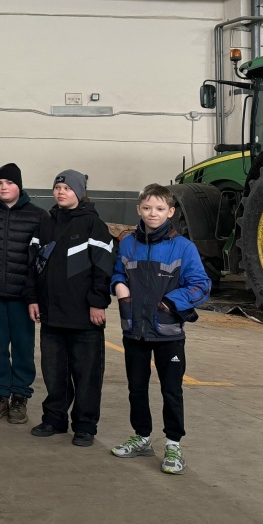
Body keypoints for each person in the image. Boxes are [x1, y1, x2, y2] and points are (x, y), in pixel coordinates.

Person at [110, 183, 211, 474]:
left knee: (171, 391)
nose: (152, 214)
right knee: (136, 388)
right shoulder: (128, 243)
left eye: (159, 209)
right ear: (138, 210)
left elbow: (201, 286)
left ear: (171, 212)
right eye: (146, 208)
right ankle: (142, 437)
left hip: (168, 334)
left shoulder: (183, 247)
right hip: (134, 331)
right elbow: (119, 271)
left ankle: (173, 445)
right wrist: (118, 284)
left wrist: (170, 301)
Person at [31, 170, 115, 447]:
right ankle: (54, 419)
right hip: (52, 316)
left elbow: (103, 268)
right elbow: (33, 265)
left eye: (67, 188)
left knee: (87, 375)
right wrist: (33, 299)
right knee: (54, 372)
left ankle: (85, 425)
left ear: (79, 192)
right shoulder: (45, 224)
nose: (60, 192)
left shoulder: (93, 225)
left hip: (84, 317)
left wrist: (97, 303)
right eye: (57, 187)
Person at [0, 163, 52, 425]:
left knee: (23, 348)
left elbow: (43, 260)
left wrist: (36, 296)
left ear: (19, 185)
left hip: (23, 297)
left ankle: (20, 397)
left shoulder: (38, 216)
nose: (4, 187)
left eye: (9, 182)